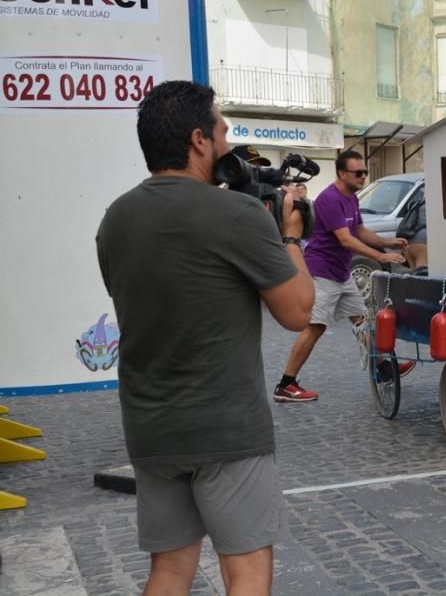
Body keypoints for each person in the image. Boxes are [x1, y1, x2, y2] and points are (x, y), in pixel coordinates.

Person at [96, 80, 315, 594]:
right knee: (246, 571)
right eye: (222, 128)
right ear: (199, 140)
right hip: (226, 430)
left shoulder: (116, 218)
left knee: (169, 570)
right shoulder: (236, 216)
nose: (227, 139)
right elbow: (299, 312)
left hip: (151, 428)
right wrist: (289, 236)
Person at [273, 150, 414, 402]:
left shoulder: (351, 198)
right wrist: (380, 257)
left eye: (364, 172)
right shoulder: (330, 198)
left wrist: (388, 243)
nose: (362, 176)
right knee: (315, 327)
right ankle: (286, 383)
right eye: (357, 173)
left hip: (341, 273)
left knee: (363, 321)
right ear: (341, 173)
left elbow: (359, 230)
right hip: (321, 272)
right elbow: (345, 239)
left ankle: (382, 369)